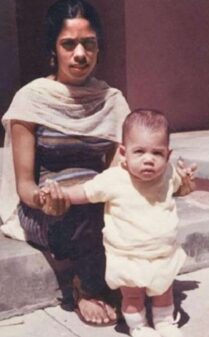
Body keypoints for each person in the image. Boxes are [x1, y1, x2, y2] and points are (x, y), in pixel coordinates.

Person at [0, 0, 130, 326]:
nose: (80, 54)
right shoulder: (32, 99)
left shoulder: (111, 100)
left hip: (92, 200)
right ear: (53, 49)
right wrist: (47, 201)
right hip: (44, 208)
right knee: (80, 206)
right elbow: (26, 186)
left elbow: (120, 170)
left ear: (99, 47)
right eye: (68, 44)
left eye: (89, 43)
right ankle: (86, 287)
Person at [41, 109, 197, 337]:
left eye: (157, 153)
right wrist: (59, 193)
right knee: (133, 296)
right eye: (140, 151)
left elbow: (180, 187)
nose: (148, 159)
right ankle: (139, 326)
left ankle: (165, 324)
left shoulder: (168, 173)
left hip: (162, 252)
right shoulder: (114, 179)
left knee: (164, 291)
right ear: (124, 153)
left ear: (168, 154)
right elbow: (84, 192)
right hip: (127, 254)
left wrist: (186, 181)